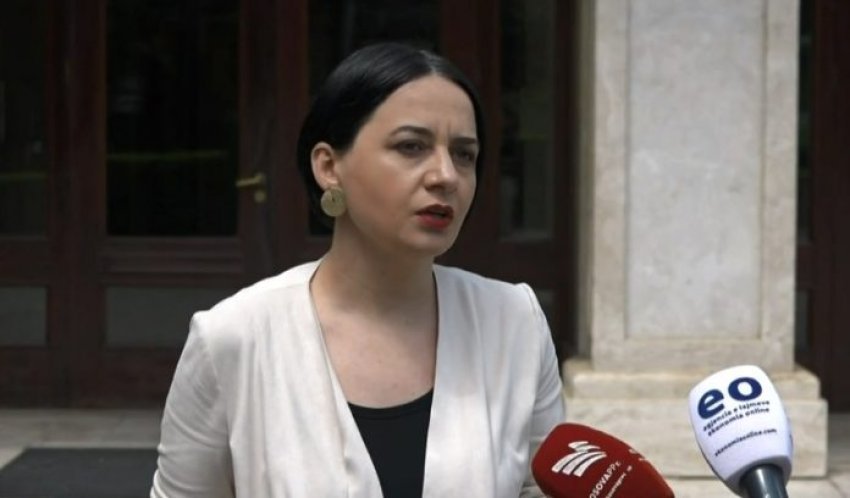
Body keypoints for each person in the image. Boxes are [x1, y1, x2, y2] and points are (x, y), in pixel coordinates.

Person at [150, 42, 565, 498]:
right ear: (329, 167)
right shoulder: (234, 338)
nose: (446, 175)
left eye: (464, 154)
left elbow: (544, 486)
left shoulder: (515, 322)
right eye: (411, 147)